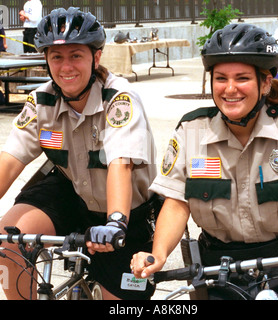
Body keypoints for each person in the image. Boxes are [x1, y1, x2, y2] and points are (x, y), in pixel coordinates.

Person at [131, 23, 278, 300]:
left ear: (265, 83)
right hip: (217, 272)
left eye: (242, 78)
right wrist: (158, 254)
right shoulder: (192, 130)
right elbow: (177, 202)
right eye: (221, 78)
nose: (230, 89)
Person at [0, 7, 162, 300]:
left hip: (127, 213)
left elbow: (120, 166)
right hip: (72, 195)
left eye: (76, 55)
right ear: (46, 60)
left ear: (96, 57)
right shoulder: (42, 101)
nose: (66, 67)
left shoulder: (119, 99)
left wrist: (114, 223)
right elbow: (10, 160)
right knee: (7, 241)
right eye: (56, 57)